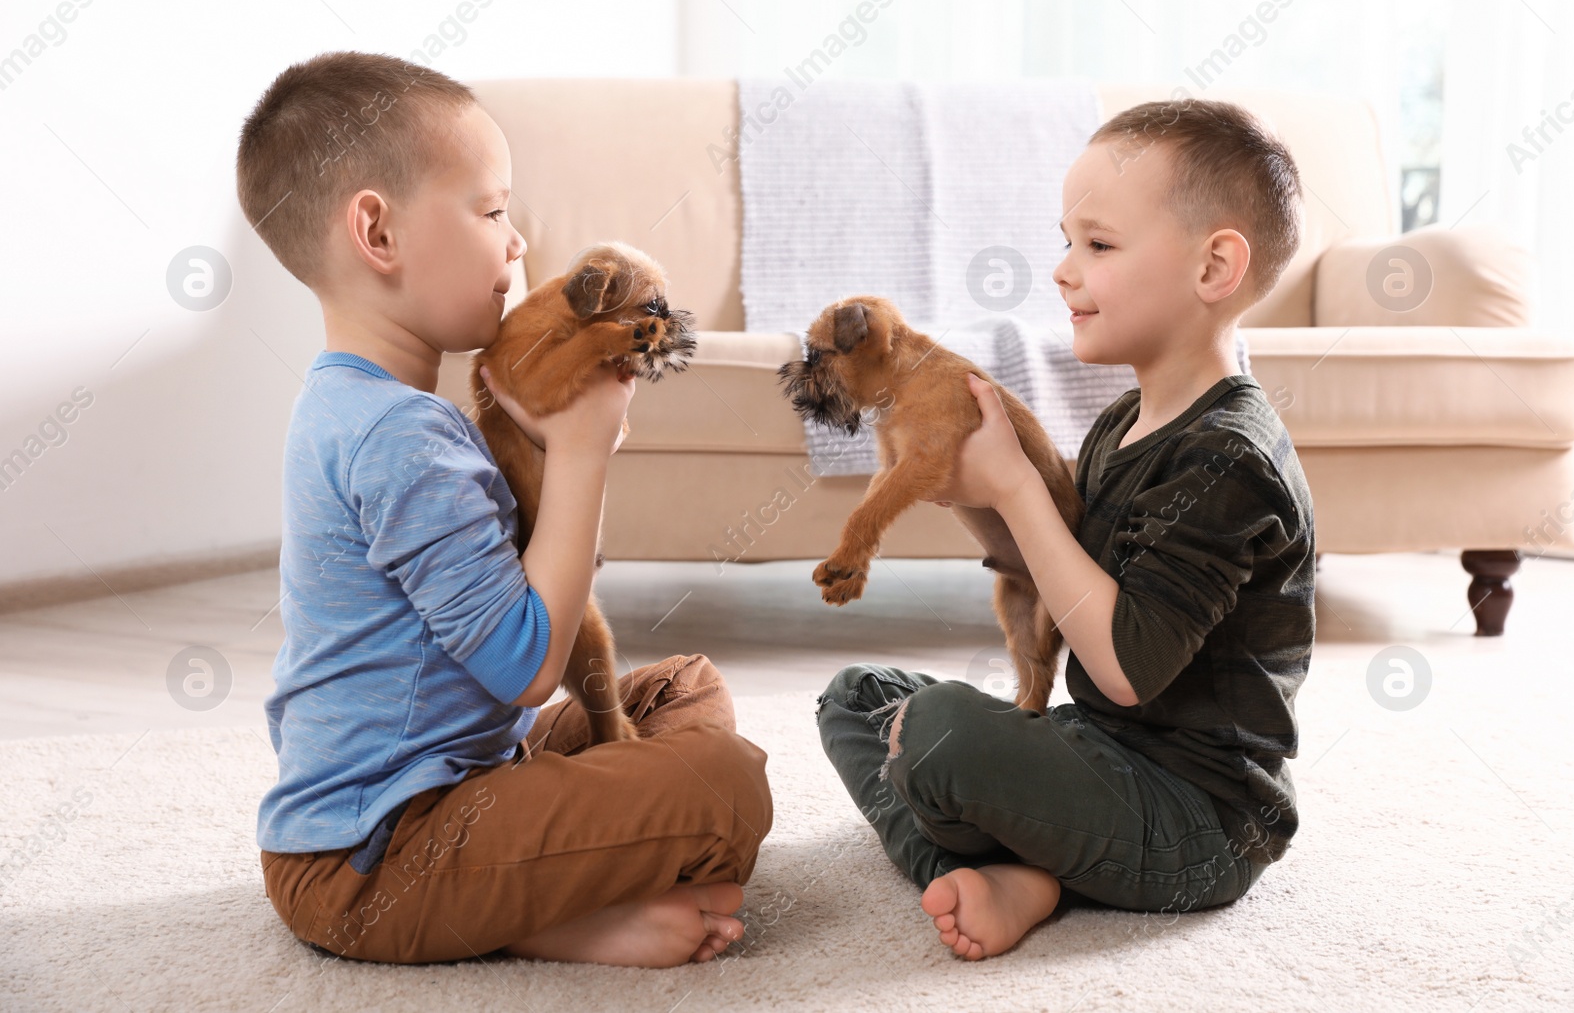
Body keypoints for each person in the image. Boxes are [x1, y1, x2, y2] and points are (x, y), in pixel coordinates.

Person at [239, 51, 772, 967]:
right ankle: (549, 917)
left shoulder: (370, 408)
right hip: (374, 862)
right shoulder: (398, 440)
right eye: (492, 211)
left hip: (460, 776)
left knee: (683, 691)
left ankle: (559, 878)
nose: (518, 241)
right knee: (727, 784)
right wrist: (579, 451)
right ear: (378, 231)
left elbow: (523, 624)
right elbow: (529, 663)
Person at [817, 97, 1315, 960]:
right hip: (1096, 745)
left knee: (937, 733)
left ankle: (1026, 871)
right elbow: (1062, 587)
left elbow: (1122, 668)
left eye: (1098, 244)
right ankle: (1023, 864)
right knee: (857, 698)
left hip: (1201, 815)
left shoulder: (1230, 461)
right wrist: (973, 488)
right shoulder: (1123, 423)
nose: (1061, 270)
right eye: (1064, 240)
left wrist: (1016, 488)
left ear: (1215, 267)